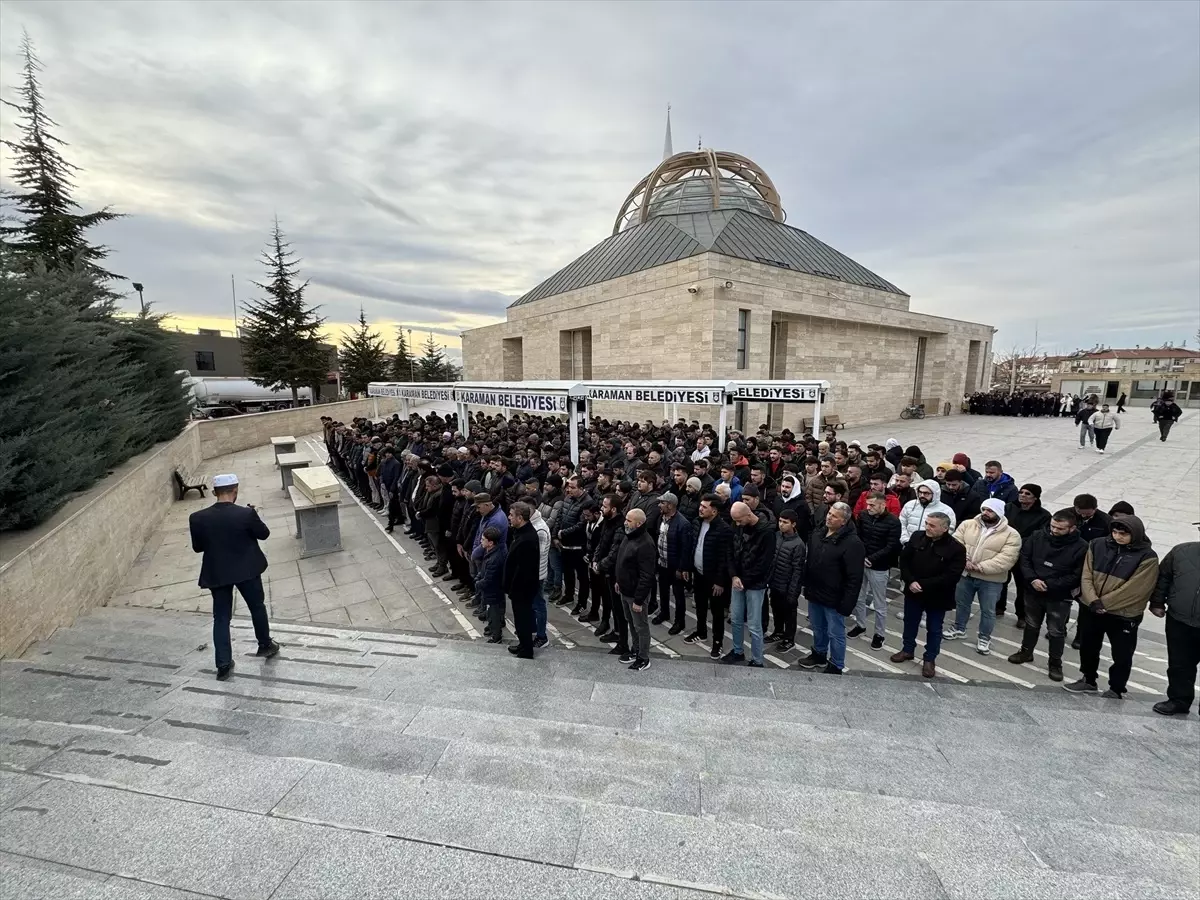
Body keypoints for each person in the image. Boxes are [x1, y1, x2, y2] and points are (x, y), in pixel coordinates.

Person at [188, 473, 278, 680]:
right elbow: (264, 534)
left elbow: (197, 547)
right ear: (235, 491)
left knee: (221, 618)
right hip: (247, 570)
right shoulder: (246, 514)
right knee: (257, 607)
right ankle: (265, 644)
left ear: (214, 493)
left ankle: (223, 664)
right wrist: (253, 514)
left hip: (217, 573)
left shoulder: (197, 518)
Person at [1065, 516, 1159, 698]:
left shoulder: (1147, 557)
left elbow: (1135, 589)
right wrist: (1092, 600)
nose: (1117, 537)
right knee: (1088, 646)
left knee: (1122, 653)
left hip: (1123, 614)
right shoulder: (1097, 544)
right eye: (1115, 532)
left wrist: (1103, 603)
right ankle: (1088, 679)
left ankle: (1116, 688)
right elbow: (1087, 574)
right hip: (1091, 607)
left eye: (1123, 534)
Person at [1007, 509, 1087, 682]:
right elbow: (1025, 558)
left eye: (1060, 528)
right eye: (1053, 526)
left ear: (1072, 528)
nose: (1054, 531)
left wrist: (1050, 585)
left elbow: (1077, 575)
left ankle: (1055, 664)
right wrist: (1032, 579)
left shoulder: (1081, 547)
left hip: (1059, 596)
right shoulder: (1037, 536)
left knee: (1056, 631)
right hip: (1033, 589)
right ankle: (1026, 652)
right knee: (1031, 624)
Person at [945, 498, 1022, 655]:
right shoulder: (967, 525)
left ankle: (984, 637)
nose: (985, 513)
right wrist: (963, 560)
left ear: (999, 513)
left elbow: (1007, 559)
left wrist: (980, 567)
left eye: (990, 510)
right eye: (984, 509)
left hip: (990, 580)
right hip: (965, 575)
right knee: (962, 604)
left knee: (988, 610)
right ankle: (959, 628)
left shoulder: (1012, 535)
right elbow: (955, 543)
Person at [893, 512, 966, 678]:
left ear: (945, 528)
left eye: (932, 525)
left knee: (934, 629)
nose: (927, 527)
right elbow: (904, 560)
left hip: (937, 596)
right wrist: (910, 581)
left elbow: (951, 576)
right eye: (926, 523)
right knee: (910, 622)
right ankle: (907, 650)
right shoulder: (917, 537)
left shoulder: (956, 548)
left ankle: (929, 659)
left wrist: (923, 585)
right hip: (913, 592)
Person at [797, 502, 864, 674]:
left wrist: (847, 604)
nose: (829, 517)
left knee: (835, 633)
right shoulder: (818, 534)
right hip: (815, 592)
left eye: (834, 516)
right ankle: (819, 654)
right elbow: (810, 561)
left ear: (844, 521)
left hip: (835, 597)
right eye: (829, 513)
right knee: (818, 627)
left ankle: (836, 664)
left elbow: (854, 578)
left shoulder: (853, 543)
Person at [1149, 535, 1200, 716]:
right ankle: (1179, 700)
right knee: (1179, 664)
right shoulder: (1182, 551)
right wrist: (1156, 602)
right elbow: (1163, 577)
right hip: (1179, 619)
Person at [725, 500, 777, 667]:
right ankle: (738, 651)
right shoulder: (737, 526)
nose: (737, 524)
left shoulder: (767, 533)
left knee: (754, 625)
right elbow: (730, 551)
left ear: (749, 515)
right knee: (736, 618)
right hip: (738, 579)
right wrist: (733, 575)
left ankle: (757, 659)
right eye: (735, 521)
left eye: (739, 520)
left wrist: (743, 580)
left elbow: (764, 563)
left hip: (755, 584)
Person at [684, 495, 735, 658]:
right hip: (698, 574)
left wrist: (720, 582)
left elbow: (724, 558)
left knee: (717, 612)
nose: (700, 509)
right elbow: (693, 546)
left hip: (715, 579)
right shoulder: (697, 522)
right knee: (699, 606)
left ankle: (717, 642)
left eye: (704, 507)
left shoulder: (724, 529)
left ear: (714, 511)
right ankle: (701, 632)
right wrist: (687, 567)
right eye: (700, 506)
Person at [996, 483, 1052, 625]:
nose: (1022, 495)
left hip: (1025, 555)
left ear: (1035, 498)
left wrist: (1019, 541)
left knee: (1023, 586)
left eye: (1027, 494)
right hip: (1006, 550)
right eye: (1021, 492)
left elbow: (1040, 536)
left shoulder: (1044, 515)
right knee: (1001, 580)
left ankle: (1021, 615)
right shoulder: (1009, 507)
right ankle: (999, 607)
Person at [854, 491, 902, 648]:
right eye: (868, 504)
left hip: (879, 567)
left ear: (883, 504)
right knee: (859, 598)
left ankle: (879, 634)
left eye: (872, 505)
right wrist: (861, 556)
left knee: (879, 603)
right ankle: (860, 625)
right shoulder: (863, 515)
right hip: (861, 562)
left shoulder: (893, 522)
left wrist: (872, 559)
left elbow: (891, 546)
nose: (869, 507)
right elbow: (858, 536)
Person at [616, 507, 657, 671]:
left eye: (629, 520)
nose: (625, 522)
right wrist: (619, 581)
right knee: (631, 623)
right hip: (625, 590)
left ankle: (643, 657)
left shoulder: (646, 544)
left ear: (639, 524)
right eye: (626, 519)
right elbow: (622, 561)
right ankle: (636, 649)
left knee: (641, 626)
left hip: (635, 594)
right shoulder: (629, 536)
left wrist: (639, 600)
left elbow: (647, 576)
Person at [651, 491, 694, 635]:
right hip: (662, 563)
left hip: (675, 566)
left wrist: (682, 568)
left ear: (670, 505)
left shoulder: (683, 524)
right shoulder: (661, 518)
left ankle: (679, 621)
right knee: (663, 591)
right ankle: (664, 613)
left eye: (662, 503)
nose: (659, 505)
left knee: (678, 595)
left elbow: (686, 549)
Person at [503, 501, 541, 659]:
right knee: (520, 618)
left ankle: (527, 649)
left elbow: (524, 570)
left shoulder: (527, 538)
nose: (509, 518)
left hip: (522, 589)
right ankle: (523, 644)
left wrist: (513, 588)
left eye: (511, 515)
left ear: (520, 517)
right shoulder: (521, 532)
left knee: (523, 619)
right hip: (519, 587)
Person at [766, 508, 806, 652]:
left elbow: (797, 570)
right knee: (776, 609)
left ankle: (789, 639)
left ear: (793, 524)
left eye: (785, 522)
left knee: (789, 613)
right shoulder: (777, 536)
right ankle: (778, 632)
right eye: (780, 521)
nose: (781, 524)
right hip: (775, 582)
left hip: (788, 586)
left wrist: (793, 592)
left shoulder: (798, 544)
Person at [898, 479, 956, 545]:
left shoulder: (946, 510)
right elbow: (901, 524)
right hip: (908, 545)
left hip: (932, 548)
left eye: (926, 493)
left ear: (935, 494)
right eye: (920, 492)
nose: (922, 495)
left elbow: (949, 530)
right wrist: (906, 541)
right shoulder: (909, 505)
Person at [476, 525, 508, 643]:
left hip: (493, 591)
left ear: (490, 542)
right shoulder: (493, 551)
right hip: (495, 590)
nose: (481, 541)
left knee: (493, 613)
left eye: (483, 539)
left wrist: (478, 583)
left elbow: (489, 580)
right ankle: (493, 627)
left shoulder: (494, 558)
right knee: (494, 611)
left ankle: (496, 636)